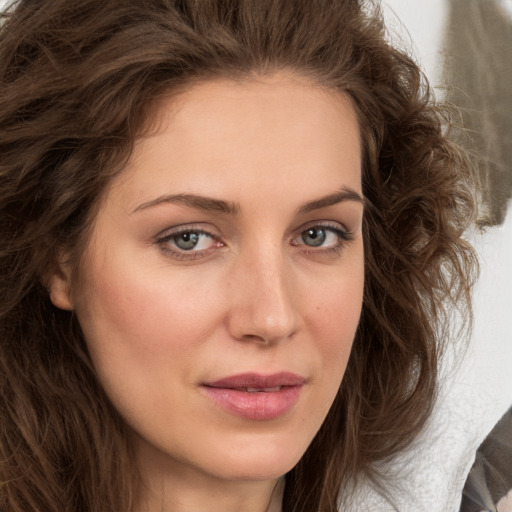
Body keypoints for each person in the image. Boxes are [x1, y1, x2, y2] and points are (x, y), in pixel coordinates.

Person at [0, 0, 477, 511]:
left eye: (318, 235)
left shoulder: (478, 483)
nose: (272, 318)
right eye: (190, 239)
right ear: (58, 259)